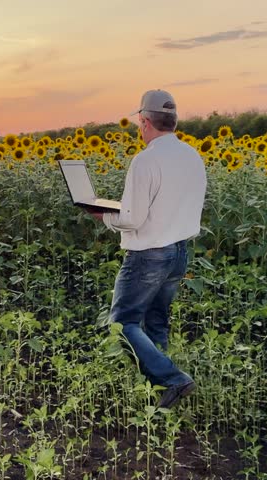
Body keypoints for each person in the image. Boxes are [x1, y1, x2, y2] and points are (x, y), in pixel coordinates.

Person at [88, 89, 207, 409]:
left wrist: (106, 217)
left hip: (149, 254)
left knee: (122, 322)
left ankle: (172, 379)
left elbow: (133, 218)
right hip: (179, 251)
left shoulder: (146, 160)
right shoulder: (192, 155)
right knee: (156, 320)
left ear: (144, 122)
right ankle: (162, 396)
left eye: (139, 124)